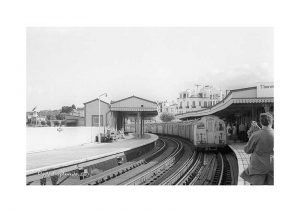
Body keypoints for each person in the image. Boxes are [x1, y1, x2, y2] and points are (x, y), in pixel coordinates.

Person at [240, 112, 274, 185]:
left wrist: (251, 137)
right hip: (272, 167)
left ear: (261, 122)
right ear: (272, 122)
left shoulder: (256, 135)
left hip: (257, 169)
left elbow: (247, 150)